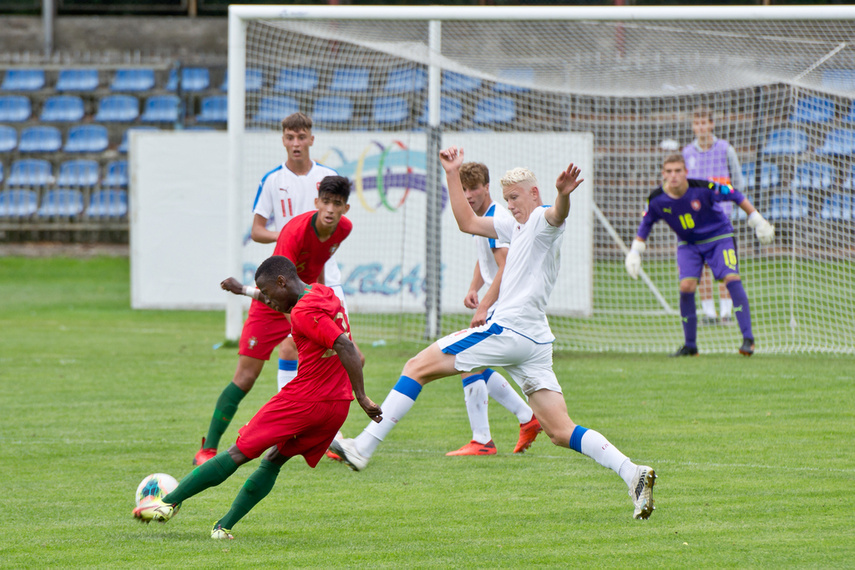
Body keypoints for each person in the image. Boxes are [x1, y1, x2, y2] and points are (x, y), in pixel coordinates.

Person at [331, 146, 658, 520]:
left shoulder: (541, 220)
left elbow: (556, 213)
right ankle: (633, 473)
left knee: (416, 365)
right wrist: (452, 173)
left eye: (516, 197)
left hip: (511, 329)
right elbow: (467, 222)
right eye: (507, 199)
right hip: (535, 341)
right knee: (559, 430)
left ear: (535, 194)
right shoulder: (512, 224)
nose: (511, 205)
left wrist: (563, 195)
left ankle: (364, 446)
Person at [133, 255, 382, 539]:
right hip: (336, 406)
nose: (267, 299)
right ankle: (223, 527)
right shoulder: (321, 294)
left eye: (266, 292)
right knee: (274, 459)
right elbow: (307, 317)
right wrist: (244, 291)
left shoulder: (303, 311)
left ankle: (166, 502)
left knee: (239, 452)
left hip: (305, 400)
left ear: (281, 281)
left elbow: (344, 345)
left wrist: (363, 397)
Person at [193, 173, 353, 467]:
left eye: (338, 203)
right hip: (272, 302)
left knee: (327, 368)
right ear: (317, 202)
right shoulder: (293, 233)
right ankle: (208, 449)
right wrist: (246, 291)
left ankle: (323, 438)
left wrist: (319, 303)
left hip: (305, 303)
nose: (331, 209)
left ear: (346, 208)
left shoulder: (343, 229)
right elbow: (278, 288)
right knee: (246, 376)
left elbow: (317, 267)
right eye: (327, 202)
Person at [624, 153, 774, 357]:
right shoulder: (656, 200)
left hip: (719, 238)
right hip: (688, 244)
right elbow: (646, 224)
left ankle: (748, 340)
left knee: (731, 278)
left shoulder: (704, 188)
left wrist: (757, 220)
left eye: (678, 170)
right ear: (663, 174)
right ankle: (690, 345)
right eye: (669, 171)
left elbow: (735, 194)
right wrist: (634, 252)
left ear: (686, 172)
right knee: (686, 286)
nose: (674, 175)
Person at [447, 161, 542, 457]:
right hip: (500, 303)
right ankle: (527, 419)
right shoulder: (484, 218)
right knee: (474, 364)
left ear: (487, 188)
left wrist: (484, 305)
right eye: (463, 190)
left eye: (474, 188)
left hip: (504, 305)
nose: (469, 195)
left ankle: (484, 440)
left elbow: (505, 265)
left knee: (465, 360)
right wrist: (474, 287)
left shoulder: (497, 218)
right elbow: (485, 257)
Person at [682, 106, 746, 325]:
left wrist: (732, 204)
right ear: (693, 126)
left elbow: (738, 182)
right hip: (695, 220)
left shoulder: (725, 149)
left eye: (704, 123)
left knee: (724, 266)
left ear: (711, 125)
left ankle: (726, 313)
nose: (701, 127)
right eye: (697, 123)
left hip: (720, 219)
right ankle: (709, 314)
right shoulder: (686, 153)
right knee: (702, 267)